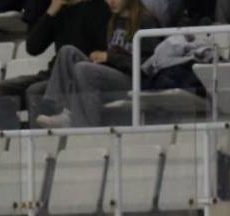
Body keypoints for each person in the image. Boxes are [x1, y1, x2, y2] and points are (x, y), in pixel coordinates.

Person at [0, 0, 111, 131]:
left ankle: (40, 142)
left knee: (36, 91)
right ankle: (15, 140)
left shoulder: (98, 7)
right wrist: (50, 13)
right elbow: (33, 48)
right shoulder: (58, 9)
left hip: (78, 77)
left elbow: (104, 51)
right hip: (52, 74)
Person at [34, 0, 163, 128]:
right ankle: (61, 111)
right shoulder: (114, 19)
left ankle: (83, 124)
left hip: (134, 80)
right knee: (68, 52)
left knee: (83, 69)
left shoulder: (146, 20)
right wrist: (103, 58)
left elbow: (149, 64)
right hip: (114, 72)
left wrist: (109, 57)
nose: (111, 2)